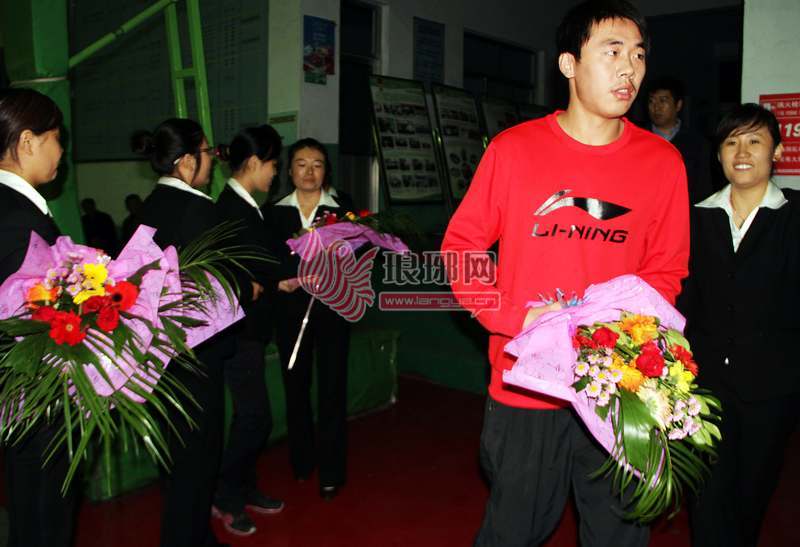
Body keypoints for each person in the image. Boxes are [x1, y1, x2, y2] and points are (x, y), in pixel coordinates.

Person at [441, 1, 689, 545]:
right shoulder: (513, 150)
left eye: (638, 55)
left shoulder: (662, 163)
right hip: (528, 387)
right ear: (569, 64)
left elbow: (667, 270)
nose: (630, 69)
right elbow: (461, 248)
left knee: (620, 533)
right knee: (512, 532)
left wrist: (620, 336)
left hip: (618, 390)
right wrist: (515, 317)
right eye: (612, 52)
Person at [678, 103, 799, 547]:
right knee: (705, 496)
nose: (742, 152)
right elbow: (683, 298)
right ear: (718, 154)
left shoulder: (794, 215)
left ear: (777, 152)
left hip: (772, 388)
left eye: (754, 141)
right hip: (704, 384)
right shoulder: (695, 216)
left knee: (752, 496)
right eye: (731, 142)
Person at [131, 118, 231, 547]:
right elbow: (222, 280)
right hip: (198, 352)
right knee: (200, 459)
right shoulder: (202, 211)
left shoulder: (146, 209)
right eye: (209, 153)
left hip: (155, 354)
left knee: (173, 460)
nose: (212, 161)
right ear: (188, 161)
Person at [0, 88, 77, 547]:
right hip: (37, 393)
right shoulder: (18, 218)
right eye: (57, 138)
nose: (61, 151)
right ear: (28, 141)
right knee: (46, 508)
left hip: (17, 398)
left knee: (27, 499)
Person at [262, 137, 354, 500]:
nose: (309, 172)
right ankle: (301, 460)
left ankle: (332, 471)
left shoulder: (341, 207)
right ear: (289, 170)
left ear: (326, 170)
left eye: (317, 164)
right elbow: (268, 260)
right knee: (296, 386)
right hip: (290, 312)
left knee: (332, 389)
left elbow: (357, 252)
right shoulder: (274, 212)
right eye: (301, 164)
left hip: (333, 310)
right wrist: (285, 277)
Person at [211, 125, 289, 536]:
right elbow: (240, 269)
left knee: (252, 416)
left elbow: (262, 262)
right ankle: (224, 495)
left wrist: (281, 278)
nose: (276, 173)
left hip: (252, 329)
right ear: (255, 163)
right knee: (255, 417)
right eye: (274, 164)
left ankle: (242, 486)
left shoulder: (247, 206)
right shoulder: (229, 209)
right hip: (238, 332)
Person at [647, 77, 714, 204]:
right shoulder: (639, 140)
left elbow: (703, 190)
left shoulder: (697, 144)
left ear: (678, 105)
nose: (656, 107)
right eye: (651, 101)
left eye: (663, 101)